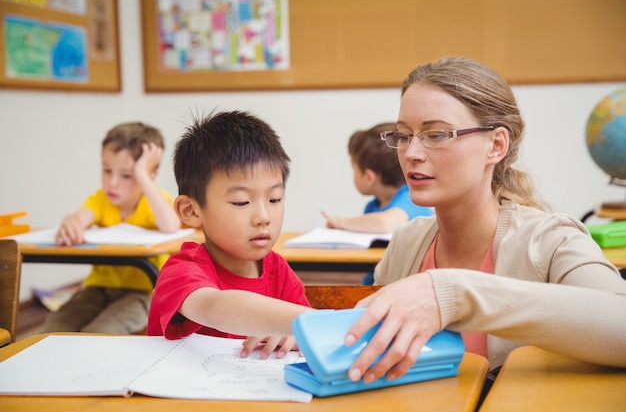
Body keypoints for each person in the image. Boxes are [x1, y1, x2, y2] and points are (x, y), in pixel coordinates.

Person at [343, 57, 626, 387]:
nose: (411, 153)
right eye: (404, 135)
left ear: (496, 145)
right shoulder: (406, 243)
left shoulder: (550, 241)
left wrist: (458, 294)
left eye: (436, 134)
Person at [147, 110, 312, 360]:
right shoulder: (181, 271)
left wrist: (296, 335)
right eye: (241, 202)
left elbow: (306, 334)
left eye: (275, 199)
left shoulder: (277, 270)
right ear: (191, 210)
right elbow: (215, 307)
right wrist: (305, 322)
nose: (264, 216)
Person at [43, 122, 181, 334]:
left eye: (126, 175)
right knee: (54, 328)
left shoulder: (153, 200)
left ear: (149, 175)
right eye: (107, 170)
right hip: (97, 289)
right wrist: (72, 221)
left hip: (144, 292)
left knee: (99, 332)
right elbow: (81, 217)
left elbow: (171, 226)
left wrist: (142, 175)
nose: (112, 183)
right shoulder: (100, 200)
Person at [322, 122, 433, 284]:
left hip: (400, 286)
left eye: (354, 168)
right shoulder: (372, 206)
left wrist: (340, 222)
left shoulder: (411, 199)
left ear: (369, 177)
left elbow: (385, 223)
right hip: (374, 283)